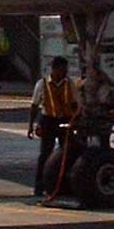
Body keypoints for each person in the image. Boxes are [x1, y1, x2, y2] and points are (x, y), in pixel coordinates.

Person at [27, 57, 80, 196]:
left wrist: (76, 121)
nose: (65, 72)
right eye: (62, 69)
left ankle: (63, 184)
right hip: (48, 120)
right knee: (45, 154)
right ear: (54, 69)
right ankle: (39, 186)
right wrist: (31, 126)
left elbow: (74, 103)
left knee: (67, 153)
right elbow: (34, 106)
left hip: (65, 119)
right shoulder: (42, 84)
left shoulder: (70, 84)